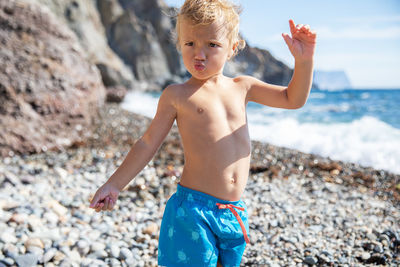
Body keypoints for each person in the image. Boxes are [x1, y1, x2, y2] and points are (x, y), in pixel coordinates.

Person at [89, 0, 317, 265]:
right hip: (193, 211)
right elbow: (147, 143)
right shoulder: (177, 95)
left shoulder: (244, 87)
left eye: (212, 44)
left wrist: (304, 60)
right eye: (190, 44)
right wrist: (115, 184)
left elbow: (293, 99)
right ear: (179, 45)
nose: (199, 53)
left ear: (232, 48)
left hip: (232, 212)